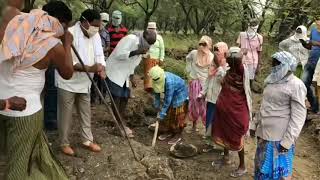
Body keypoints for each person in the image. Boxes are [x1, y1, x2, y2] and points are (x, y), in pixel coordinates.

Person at [0, 0, 74, 179]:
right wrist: (67, 43)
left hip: (3, 104)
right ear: (62, 24)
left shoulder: (14, 26)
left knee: (9, 155)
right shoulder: (52, 44)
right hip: (25, 111)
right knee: (18, 166)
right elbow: (68, 73)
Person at [56, 9, 106, 156]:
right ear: (85, 22)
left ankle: (87, 140)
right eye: (94, 25)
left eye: (98, 26)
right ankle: (64, 143)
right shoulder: (69, 33)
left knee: (86, 112)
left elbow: (99, 54)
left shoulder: (95, 35)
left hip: (85, 82)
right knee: (66, 114)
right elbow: (68, 63)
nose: (96, 29)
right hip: (68, 82)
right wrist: (90, 68)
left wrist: (102, 68)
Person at [251, 51, 307, 179]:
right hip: (264, 134)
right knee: (261, 168)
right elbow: (264, 105)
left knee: (277, 174)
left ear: (287, 66)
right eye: (273, 64)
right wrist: (254, 124)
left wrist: (287, 141)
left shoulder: (296, 85)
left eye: (277, 64)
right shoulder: (271, 80)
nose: (273, 67)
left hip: (279, 139)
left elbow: (298, 116)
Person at [105, 30, 156, 137]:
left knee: (125, 97)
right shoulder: (131, 39)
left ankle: (121, 122)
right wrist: (136, 51)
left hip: (125, 74)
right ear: (144, 37)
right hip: (114, 71)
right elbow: (119, 54)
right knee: (116, 98)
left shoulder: (143, 46)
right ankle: (118, 125)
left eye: (151, 44)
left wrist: (132, 77)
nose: (149, 46)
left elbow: (133, 63)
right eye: (148, 43)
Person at [211, 47, 252, 178]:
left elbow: (235, 58)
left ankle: (242, 166)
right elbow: (224, 69)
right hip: (224, 110)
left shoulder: (241, 71)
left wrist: (241, 52)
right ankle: (226, 157)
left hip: (236, 113)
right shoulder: (231, 71)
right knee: (224, 133)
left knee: (236, 136)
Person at [198, 42, 229, 151]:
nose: (216, 54)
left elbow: (224, 82)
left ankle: (219, 145)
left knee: (217, 123)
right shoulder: (213, 64)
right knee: (209, 121)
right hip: (210, 99)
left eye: (218, 52)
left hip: (219, 101)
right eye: (215, 52)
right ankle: (209, 143)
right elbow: (208, 80)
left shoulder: (227, 67)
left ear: (224, 53)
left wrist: (220, 68)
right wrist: (202, 93)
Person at [149, 66, 188, 145]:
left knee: (177, 116)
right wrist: (157, 105)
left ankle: (178, 135)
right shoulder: (154, 79)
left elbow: (168, 100)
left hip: (179, 95)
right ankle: (169, 131)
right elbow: (156, 93)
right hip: (170, 95)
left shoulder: (169, 82)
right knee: (168, 115)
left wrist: (162, 113)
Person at [186, 36, 214, 130]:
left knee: (204, 104)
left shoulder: (211, 56)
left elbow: (212, 70)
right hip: (194, 82)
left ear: (209, 45)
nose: (202, 46)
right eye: (200, 44)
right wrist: (189, 70)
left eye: (204, 44)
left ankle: (206, 127)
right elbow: (188, 59)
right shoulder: (194, 53)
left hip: (205, 84)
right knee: (194, 103)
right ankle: (194, 124)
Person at [300, 17, 320, 114]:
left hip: (319, 63)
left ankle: (317, 108)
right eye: (317, 19)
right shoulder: (313, 30)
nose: (318, 22)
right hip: (311, 60)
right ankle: (313, 104)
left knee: (318, 86)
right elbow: (311, 46)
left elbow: (315, 43)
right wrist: (305, 44)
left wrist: (315, 43)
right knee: (303, 83)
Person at [237, 18, 263, 83]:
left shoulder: (259, 37)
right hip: (243, 59)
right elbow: (238, 47)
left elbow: (259, 51)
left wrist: (258, 66)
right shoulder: (242, 34)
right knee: (241, 77)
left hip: (251, 60)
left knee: (249, 78)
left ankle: (247, 91)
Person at [144, 22, 165, 92]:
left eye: (153, 29)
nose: (152, 30)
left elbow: (162, 49)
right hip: (148, 58)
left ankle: (156, 89)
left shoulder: (159, 37)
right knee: (148, 74)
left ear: (155, 29)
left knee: (156, 74)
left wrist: (161, 59)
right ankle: (148, 89)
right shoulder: (145, 37)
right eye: (150, 29)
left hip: (157, 59)